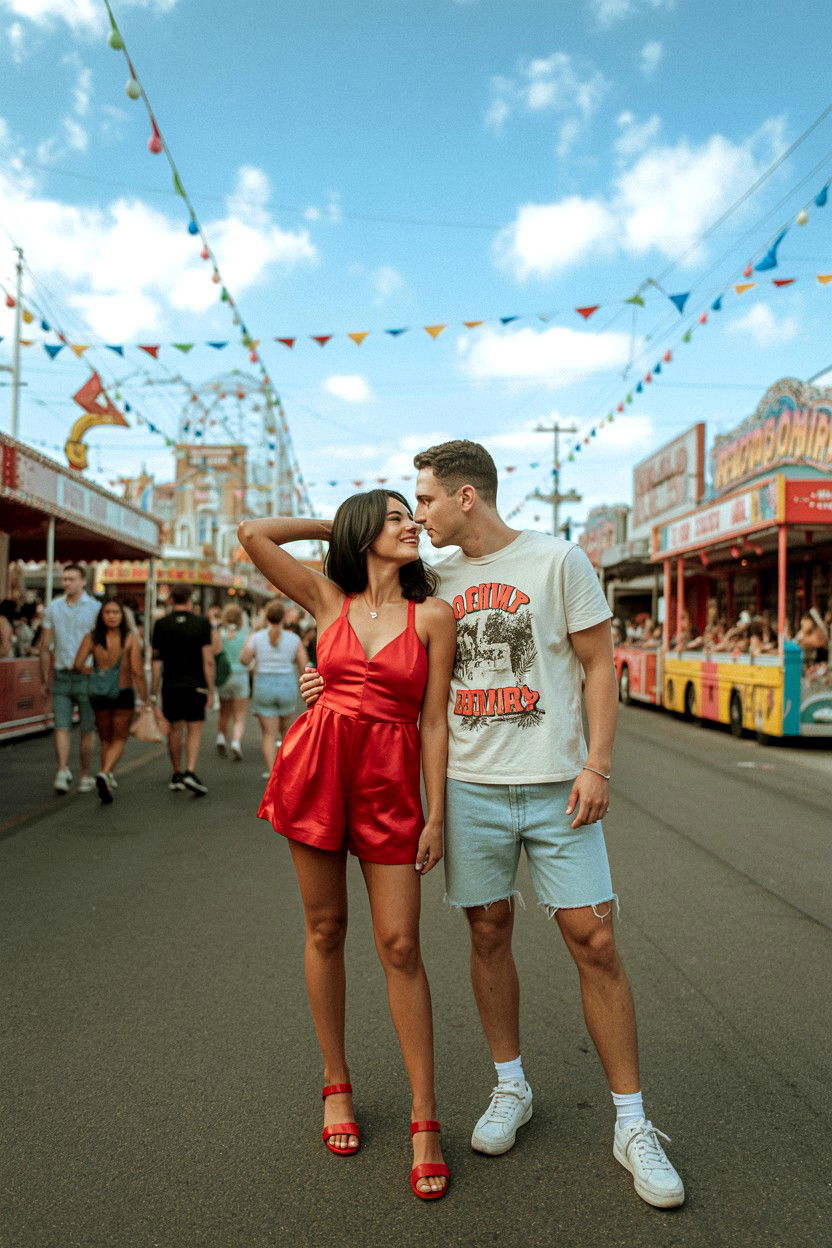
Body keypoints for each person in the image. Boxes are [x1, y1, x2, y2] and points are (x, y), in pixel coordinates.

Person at [301, 441, 685, 1210]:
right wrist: (318, 678)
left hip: (555, 785)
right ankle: (511, 1086)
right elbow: (364, 636)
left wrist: (597, 764)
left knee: (595, 939)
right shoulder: (429, 580)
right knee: (486, 932)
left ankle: (632, 1124)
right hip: (470, 787)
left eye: (425, 503)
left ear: (466, 497)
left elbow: (598, 664)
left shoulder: (558, 561)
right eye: (402, 512)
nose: (417, 518)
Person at [238, 490, 457, 1200]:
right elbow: (253, 533)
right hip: (318, 767)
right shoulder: (328, 599)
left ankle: (426, 1116)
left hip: (392, 784)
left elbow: (432, 724)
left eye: (411, 516)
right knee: (325, 928)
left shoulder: (433, 614)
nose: (412, 525)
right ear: (366, 532)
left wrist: (435, 813)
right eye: (395, 517)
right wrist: (330, 525)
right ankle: (336, 1084)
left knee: (400, 945)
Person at [73, 599, 146, 804]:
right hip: (123, 691)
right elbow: (137, 670)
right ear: (102, 616)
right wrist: (146, 698)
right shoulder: (130, 638)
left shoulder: (92, 638)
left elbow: (78, 664)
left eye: (115, 612)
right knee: (120, 738)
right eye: (108, 612)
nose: (112, 616)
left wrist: (97, 673)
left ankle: (106, 774)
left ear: (121, 616)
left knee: (105, 737)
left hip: (98, 692)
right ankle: (105, 773)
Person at [39, 565, 101, 794]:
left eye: (71, 579)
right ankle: (64, 770)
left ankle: (83, 774)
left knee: (87, 728)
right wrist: (45, 678)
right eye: (64, 579)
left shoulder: (96, 608)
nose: (66, 583)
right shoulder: (53, 607)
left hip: (87, 674)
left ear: (83, 581)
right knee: (62, 726)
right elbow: (45, 646)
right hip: (63, 673)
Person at [150, 584, 215, 795]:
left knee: (174, 729)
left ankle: (176, 772)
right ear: (190, 600)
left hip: (170, 684)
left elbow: (156, 662)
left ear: (171, 600)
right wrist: (211, 689)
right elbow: (208, 660)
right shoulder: (202, 624)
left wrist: (153, 691)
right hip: (195, 684)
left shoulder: (161, 624)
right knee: (194, 729)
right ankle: (190, 770)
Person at [240, 599, 308, 778]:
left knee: (268, 734)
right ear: (284, 618)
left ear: (266, 617)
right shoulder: (294, 639)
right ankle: (286, 769)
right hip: (287, 685)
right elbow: (303, 665)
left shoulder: (257, 637)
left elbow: (244, 659)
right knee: (286, 732)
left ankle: (272, 772)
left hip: (264, 685)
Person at [215, 602, 250, 760]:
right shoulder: (245, 637)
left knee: (224, 712)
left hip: (224, 677)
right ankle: (236, 742)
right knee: (239, 715)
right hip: (241, 676)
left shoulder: (220, 636)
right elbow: (248, 659)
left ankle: (221, 738)